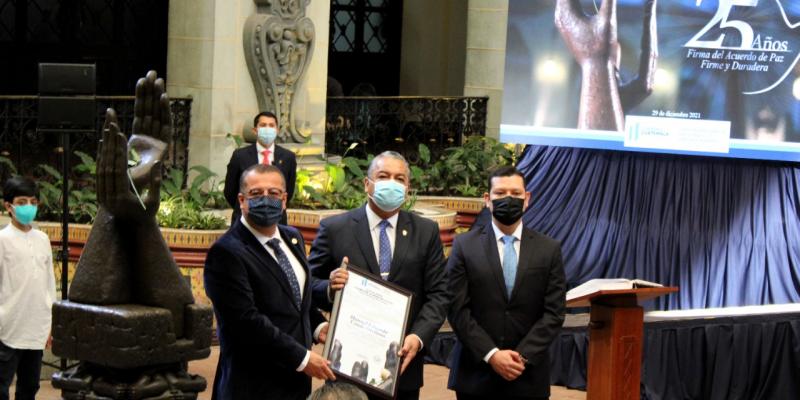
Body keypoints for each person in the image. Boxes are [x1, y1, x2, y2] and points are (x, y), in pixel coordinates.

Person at [308, 151, 449, 400]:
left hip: (402, 366)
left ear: (407, 188)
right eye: (383, 176)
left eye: (399, 179)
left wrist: (418, 337)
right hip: (346, 367)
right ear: (367, 184)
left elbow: (439, 293)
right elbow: (307, 286)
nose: (391, 183)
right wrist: (329, 287)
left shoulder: (425, 232)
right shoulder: (335, 229)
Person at [205, 164, 335, 400]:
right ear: (242, 200)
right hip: (252, 385)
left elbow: (294, 299)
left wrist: (318, 326)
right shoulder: (226, 252)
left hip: (295, 383)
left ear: (284, 200)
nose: (266, 199)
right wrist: (302, 358)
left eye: (274, 194)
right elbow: (246, 322)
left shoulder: (292, 237)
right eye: (256, 194)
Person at [446, 166, 566, 400]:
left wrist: (521, 357)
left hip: (528, 375)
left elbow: (554, 312)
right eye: (500, 193)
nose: (508, 199)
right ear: (487, 199)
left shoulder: (549, 249)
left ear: (527, 198)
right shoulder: (464, 246)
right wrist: (491, 355)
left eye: (515, 193)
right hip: (476, 375)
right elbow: (457, 309)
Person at [0, 176, 56, 400]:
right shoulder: (2, 240)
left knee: (29, 387)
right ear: (9, 206)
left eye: (33, 202)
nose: (28, 207)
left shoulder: (42, 239)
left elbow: (49, 284)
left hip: (35, 327)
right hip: (7, 328)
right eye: (22, 202)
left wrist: (51, 322)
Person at [224, 111, 297, 225]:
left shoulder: (288, 157)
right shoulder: (240, 156)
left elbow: (289, 190)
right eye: (263, 125)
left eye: (271, 125)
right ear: (255, 130)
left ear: (277, 130)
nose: (267, 129)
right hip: (245, 220)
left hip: (276, 220)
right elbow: (230, 191)